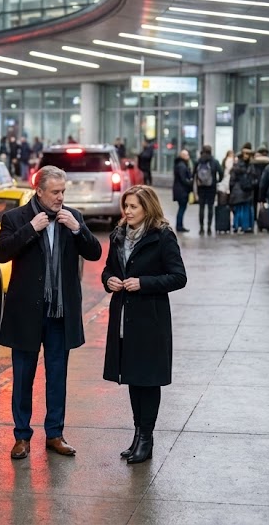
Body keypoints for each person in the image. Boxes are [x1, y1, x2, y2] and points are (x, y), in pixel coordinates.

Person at [0, 165, 102, 460]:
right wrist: (31, 229)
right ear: (38, 191)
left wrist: (77, 230)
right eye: (55, 192)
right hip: (27, 313)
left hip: (60, 314)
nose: (60, 198)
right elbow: (1, 253)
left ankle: (55, 434)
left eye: (63, 192)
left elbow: (94, 253)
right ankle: (21, 437)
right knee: (23, 378)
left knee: (57, 376)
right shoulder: (16, 218)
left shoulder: (73, 218)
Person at [102, 185, 187, 464]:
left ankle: (146, 438)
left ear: (147, 208)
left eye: (133, 207)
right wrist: (109, 281)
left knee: (148, 381)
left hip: (150, 320)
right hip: (124, 319)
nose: (127, 211)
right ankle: (138, 436)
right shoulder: (118, 236)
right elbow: (108, 269)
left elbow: (178, 277)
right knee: (133, 379)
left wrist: (144, 283)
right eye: (125, 206)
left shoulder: (162, 237)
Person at [194, 145, 223, 235]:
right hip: (211, 187)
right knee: (210, 207)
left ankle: (201, 228)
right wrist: (217, 181)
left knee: (201, 207)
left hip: (201, 187)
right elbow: (221, 172)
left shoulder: (198, 161)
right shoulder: (214, 161)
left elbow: (193, 173)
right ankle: (209, 227)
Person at [229, 147, 256, 233]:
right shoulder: (251, 167)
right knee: (246, 209)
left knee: (238, 209)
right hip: (247, 191)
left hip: (237, 190)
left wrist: (231, 190)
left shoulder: (236, 167)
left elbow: (232, 181)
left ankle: (237, 226)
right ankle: (246, 226)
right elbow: (255, 179)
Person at [172, 150, 193, 233]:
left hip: (180, 190)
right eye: (187, 155)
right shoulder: (182, 166)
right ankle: (179, 226)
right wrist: (190, 183)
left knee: (182, 208)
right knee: (182, 208)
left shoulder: (180, 164)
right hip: (182, 191)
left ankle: (179, 225)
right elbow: (183, 179)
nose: (188, 156)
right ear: (183, 156)